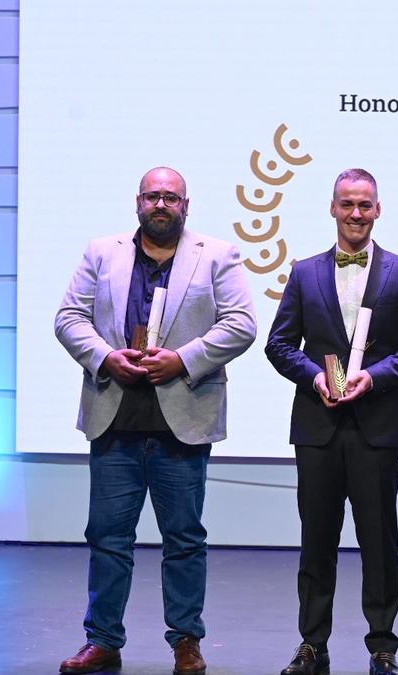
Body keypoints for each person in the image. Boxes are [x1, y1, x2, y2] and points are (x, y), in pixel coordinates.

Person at [54, 167, 257, 675]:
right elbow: (69, 318)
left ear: (186, 205)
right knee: (107, 537)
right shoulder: (102, 251)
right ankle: (102, 641)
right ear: (137, 202)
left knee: (184, 539)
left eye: (171, 196)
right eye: (152, 196)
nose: (161, 204)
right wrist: (104, 357)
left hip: (182, 421)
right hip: (115, 416)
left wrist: (183, 359)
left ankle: (186, 641)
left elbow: (242, 324)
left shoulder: (217, 254)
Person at [266, 168, 398, 675]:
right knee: (316, 539)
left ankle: (382, 646)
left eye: (365, 205)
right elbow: (279, 345)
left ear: (378, 210)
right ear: (333, 208)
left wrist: (376, 377)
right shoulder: (304, 272)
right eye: (347, 204)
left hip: (377, 427)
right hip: (317, 426)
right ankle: (311, 644)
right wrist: (313, 378)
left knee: (378, 541)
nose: (356, 213)